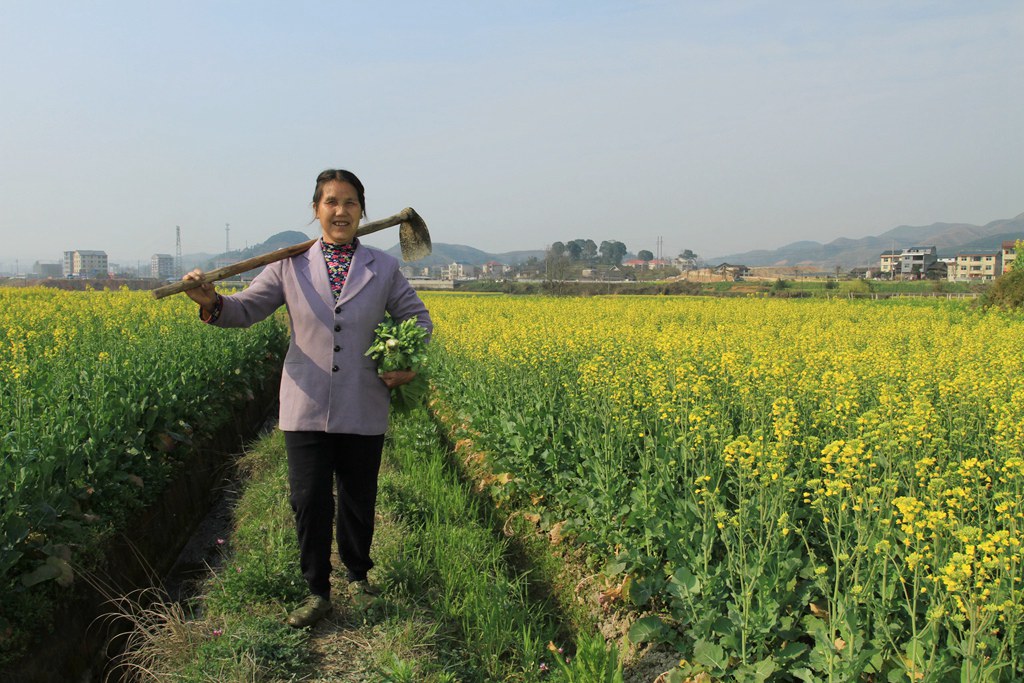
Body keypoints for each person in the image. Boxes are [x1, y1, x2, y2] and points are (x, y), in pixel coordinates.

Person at [182, 169, 431, 628]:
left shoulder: (384, 267)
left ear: (362, 211)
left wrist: (406, 359)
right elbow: (245, 309)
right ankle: (317, 590)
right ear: (316, 209)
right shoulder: (288, 264)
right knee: (308, 499)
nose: (341, 211)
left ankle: (358, 577)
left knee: (358, 496)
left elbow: (417, 318)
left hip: (363, 400)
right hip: (304, 401)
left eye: (350, 202)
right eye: (331, 202)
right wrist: (210, 300)